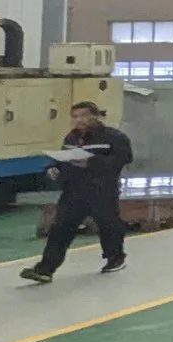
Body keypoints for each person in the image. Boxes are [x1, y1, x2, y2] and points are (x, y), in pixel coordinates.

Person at [19, 101, 133, 284]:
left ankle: (115, 258)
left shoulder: (113, 137)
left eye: (84, 116)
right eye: (75, 116)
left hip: (101, 190)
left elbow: (124, 158)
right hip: (74, 190)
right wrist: (53, 168)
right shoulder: (71, 138)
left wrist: (92, 163)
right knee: (61, 228)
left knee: (108, 224)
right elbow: (62, 159)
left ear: (95, 116)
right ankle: (45, 269)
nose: (79, 120)